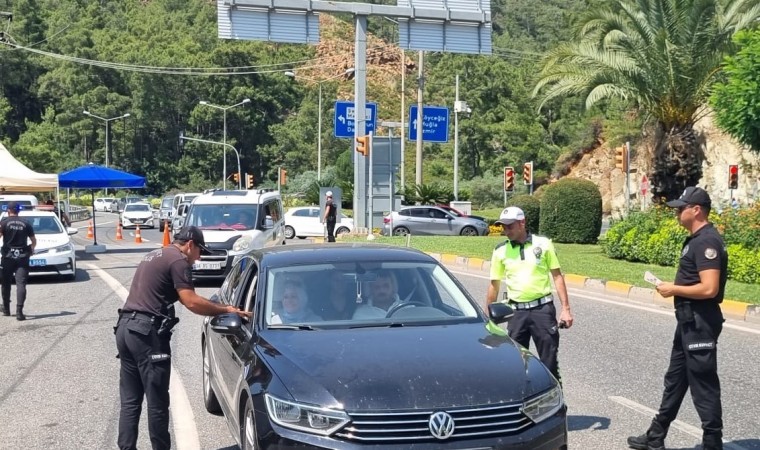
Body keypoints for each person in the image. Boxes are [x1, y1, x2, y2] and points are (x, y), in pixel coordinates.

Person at [115, 226, 249, 450]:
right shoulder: (178, 260)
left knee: (130, 400)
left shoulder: (155, 254)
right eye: (199, 252)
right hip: (147, 334)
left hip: (125, 328)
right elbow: (191, 302)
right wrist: (226, 310)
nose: (198, 259)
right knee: (157, 402)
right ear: (190, 244)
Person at [628, 186, 727, 450]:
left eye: (681, 208)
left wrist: (673, 288)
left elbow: (709, 288)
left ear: (696, 210)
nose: (677, 212)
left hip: (700, 322)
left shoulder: (706, 241)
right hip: (687, 320)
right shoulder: (696, 239)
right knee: (675, 379)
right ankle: (655, 436)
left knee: (703, 383)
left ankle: (712, 442)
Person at [486, 206, 573, 383]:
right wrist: (488, 318)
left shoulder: (543, 244)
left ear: (522, 223)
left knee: (549, 364)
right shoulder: (500, 251)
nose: (506, 231)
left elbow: (557, 277)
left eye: (510, 226)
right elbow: (494, 285)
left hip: (543, 310)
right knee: (516, 365)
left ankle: (556, 407)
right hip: (516, 313)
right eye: (503, 226)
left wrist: (566, 309)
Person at [0, 202, 36, 321]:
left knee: (6, 283)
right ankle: (19, 312)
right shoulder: (26, 223)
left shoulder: (4, 222)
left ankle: (6, 309)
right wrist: (32, 248)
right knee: (21, 284)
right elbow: (33, 240)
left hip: (8, 257)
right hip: (22, 257)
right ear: (18, 210)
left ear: (9, 210)